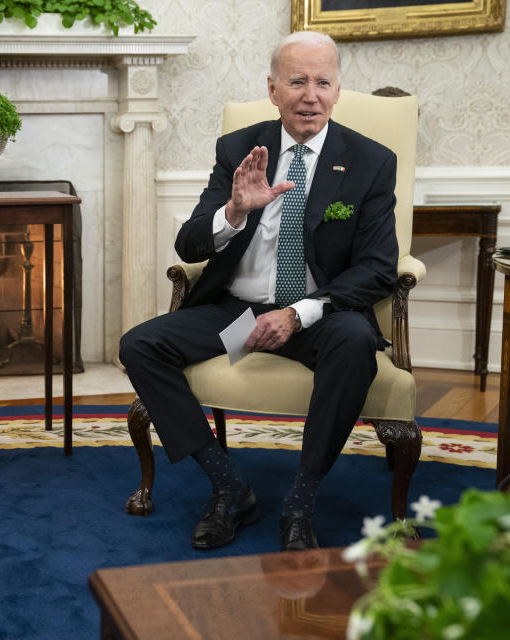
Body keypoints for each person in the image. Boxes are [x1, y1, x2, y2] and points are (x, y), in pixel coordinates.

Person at [119, 31, 398, 552]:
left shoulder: (370, 161)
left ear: (338, 90)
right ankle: (229, 487)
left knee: (355, 341)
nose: (309, 95)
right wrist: (234, 212)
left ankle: (300, 503)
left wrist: (297, 314)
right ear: (273, 90)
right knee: (140, 344)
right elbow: (190, 243)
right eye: (296, 82)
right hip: (238, 314)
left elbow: (379, 268)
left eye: (322, 82)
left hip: (317, 317)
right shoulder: (240, 149)